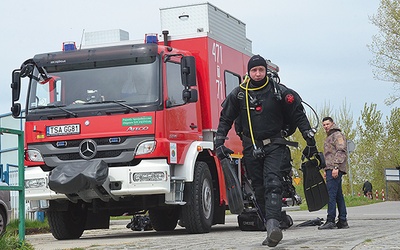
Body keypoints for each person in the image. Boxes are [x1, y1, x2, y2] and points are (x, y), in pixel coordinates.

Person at [215, 54, 319, 247]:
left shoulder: (278, 92)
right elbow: (225, 118)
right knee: (259, 188)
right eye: (254, 70)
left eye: (261, 70)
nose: (257, 73)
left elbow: (298, 115)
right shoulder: (239, 94)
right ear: (248, 72)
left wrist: (309, 138)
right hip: (251, 147)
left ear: (266, 71)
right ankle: (270, 226)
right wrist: (219, 141)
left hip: (275, 145)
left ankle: (273, 226)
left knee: (273, 183)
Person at [318, 116, 349, 230]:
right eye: (324, 125)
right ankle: (342, 220)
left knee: (330, 195)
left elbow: (341, 151)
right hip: (330, 169)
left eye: (327, 124)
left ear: (332, 123)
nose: (326, 126)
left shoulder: (337, 135)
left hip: (335, 169)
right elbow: (328, 156)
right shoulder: (329, 137)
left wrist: (336, 167)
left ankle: (330, 220)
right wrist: (326, 169)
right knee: (338, 195)